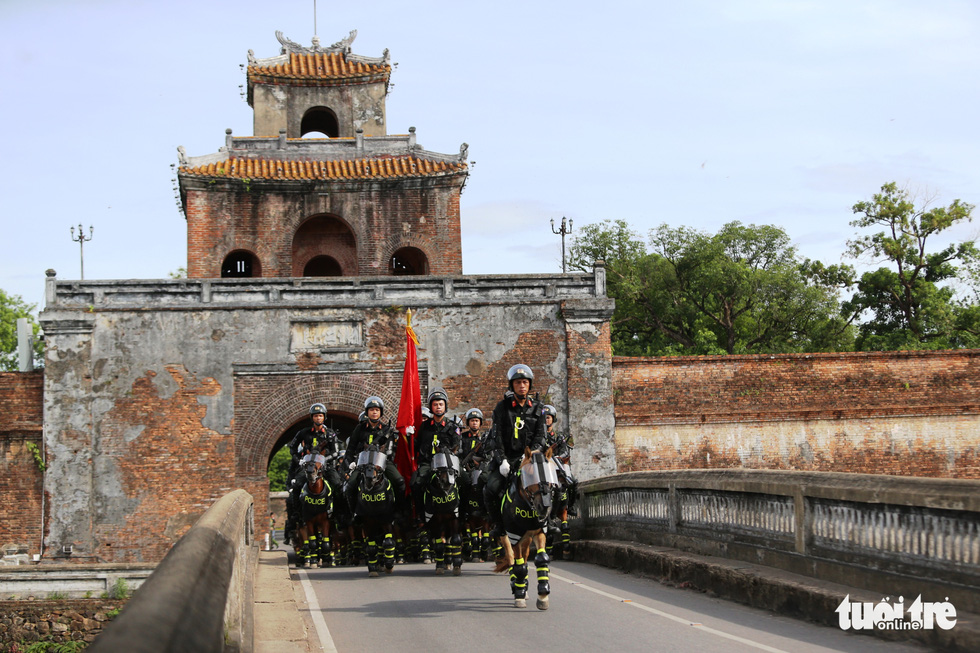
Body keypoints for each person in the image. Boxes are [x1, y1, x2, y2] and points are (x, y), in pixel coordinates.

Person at [482, 364, 547, 537]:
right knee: (490, 489)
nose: (522, 386)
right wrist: (502, 459)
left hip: (529, 459)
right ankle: (499, 525)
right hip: (507, 460)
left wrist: (530, 455)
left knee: (553, 485)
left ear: (530, 385)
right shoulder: (501, 408)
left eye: (525, 382)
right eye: (518, 382)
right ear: (512, 385)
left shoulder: (539, 408)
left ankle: (549, 521)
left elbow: (541, 437)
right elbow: (497, 438)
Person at [284, 404, 342, 542]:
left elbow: (335, 452)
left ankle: (340, 515)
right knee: (296, 486)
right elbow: (292, 448)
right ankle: (297, 515)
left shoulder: (330, 434)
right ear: (312, 418)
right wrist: (299, 461)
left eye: (320, 415)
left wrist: (324, 461)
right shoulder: (303, 433)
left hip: (325, 466)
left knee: (338, 485)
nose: (318, 418)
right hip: (307, 467)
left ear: (324, 417)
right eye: (316, 415)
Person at [344, 396, 407, 513]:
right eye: (372, 410)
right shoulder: (360, 428)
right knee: (350, 485)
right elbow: (350, 448)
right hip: (363, 463)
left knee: (399, 482)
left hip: (381, 462)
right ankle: (353, 513)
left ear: (380, 412)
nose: (374, 412)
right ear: (367, 412)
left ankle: (399, 511)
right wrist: (350, 463)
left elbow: (390, 451)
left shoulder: (387, 429)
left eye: (377, 410)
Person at [411, 388, 462, 522]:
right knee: (417, 483)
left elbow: (458, 446)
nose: (438, 407)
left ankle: (464, 513)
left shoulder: (453, 426)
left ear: (445, 406)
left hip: (447, 464)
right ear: (431, 407)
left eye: (440, 404)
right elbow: (416, 446)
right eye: (435, 404)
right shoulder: (424, 426)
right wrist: (408, 437)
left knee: (467, 480)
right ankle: (421, 516)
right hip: (428, 463)